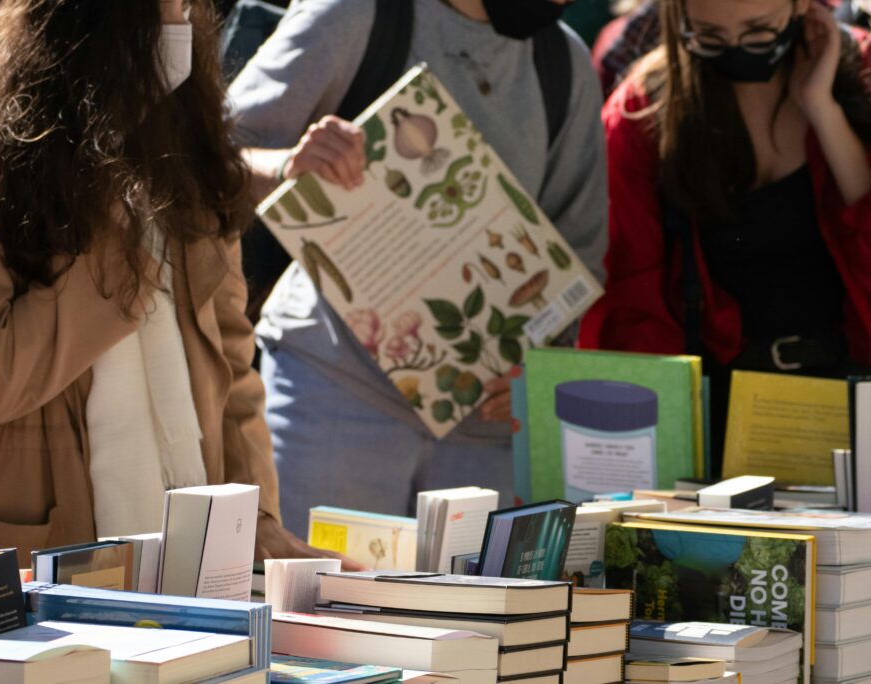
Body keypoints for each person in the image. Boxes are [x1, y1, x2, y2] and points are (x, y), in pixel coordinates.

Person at [0, 0, 348, 567]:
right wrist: (113, 209)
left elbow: (228, 360)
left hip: (175, 563)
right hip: (6, 571)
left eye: (186, 6)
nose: (180, 22)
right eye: (160, 8)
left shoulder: (177, 142)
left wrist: (257, 517)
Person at [230, 0, 608, 537]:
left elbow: (579, 255)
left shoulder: (565, 61)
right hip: (333, 397)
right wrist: (291, 165)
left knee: (474, 622)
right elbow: (206, 159)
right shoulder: (355, 13)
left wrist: (538, 365)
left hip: (486, 428)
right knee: (315, 613)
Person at [579, 0, 871, 471]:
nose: (737, 50)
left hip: (857, 401)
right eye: (710, 36)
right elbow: (632, 303)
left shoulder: (860, 71)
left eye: (760, 32)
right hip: (721, 419)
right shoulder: (643, 109)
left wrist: (824, 110)